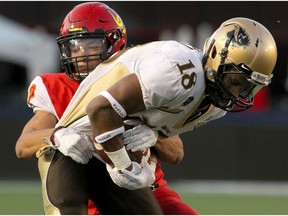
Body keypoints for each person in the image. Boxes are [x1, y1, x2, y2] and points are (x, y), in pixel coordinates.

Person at [15, 2, 198, 215]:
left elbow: (176, 153)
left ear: (115, 44)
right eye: (74, 46)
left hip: (147, 189)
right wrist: (59, 135)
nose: (81, 55)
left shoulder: (136, 80)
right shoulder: (56, 87)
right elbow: (23, 145)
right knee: (51, 154)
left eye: (92, 46)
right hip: (91, 201)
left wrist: (153, 135)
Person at [53, 17, 277, 190]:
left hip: (106, 149)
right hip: (79, 146)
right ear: (216, 55)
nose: (238, 93)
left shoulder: (215, 104)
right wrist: (124, 165)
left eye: (249, 87)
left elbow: (175, 151)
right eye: (236, 81)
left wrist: (153, 138)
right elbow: (101, 108)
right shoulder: (180, 72)